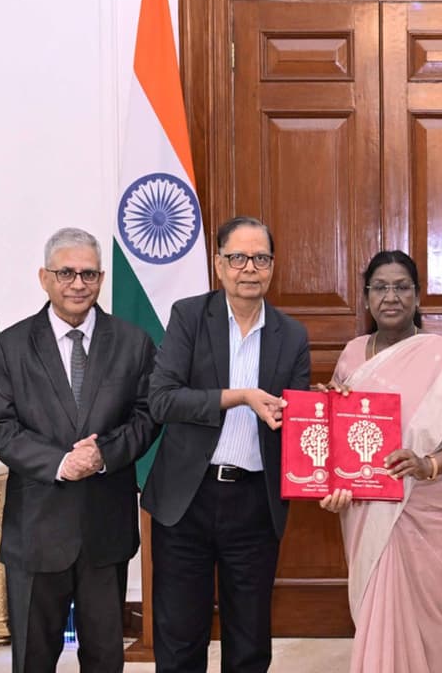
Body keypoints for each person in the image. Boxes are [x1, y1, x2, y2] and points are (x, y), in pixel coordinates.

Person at [316, 250, 442, 672]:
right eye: (380, 288)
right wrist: (324, 405)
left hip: (432, 505)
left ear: (418, 296)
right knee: (378, 611)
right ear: (366, 297)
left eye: (402, 287)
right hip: (369, 508)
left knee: (434, 619)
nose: (391, 297)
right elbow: (335, 429)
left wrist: (428, 464)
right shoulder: (352, 354)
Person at [0, 228, 158, 672]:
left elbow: (147, 417)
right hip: (36, 531)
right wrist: (61, 462)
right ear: (44, 277)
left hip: (105, 529)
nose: (78, 283)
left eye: (89, 274)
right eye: (66, 273)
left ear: (101, 279)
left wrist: (103, 455)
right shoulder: (10, 345)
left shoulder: (133, 342)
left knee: (104, 658)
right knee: (33, 659)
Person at [141, 216, 311, 672]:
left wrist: (325, 411)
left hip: (255, 503)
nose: (249, 268)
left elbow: (296, 419)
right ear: (218, 265)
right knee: (180, 640)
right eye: (238, 258)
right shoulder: (189, 316)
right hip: (187, 499)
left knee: (249, 642)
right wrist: (239, 397)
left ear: (272, 266)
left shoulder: (291, 335)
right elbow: (162, 399)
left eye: (260, 258)